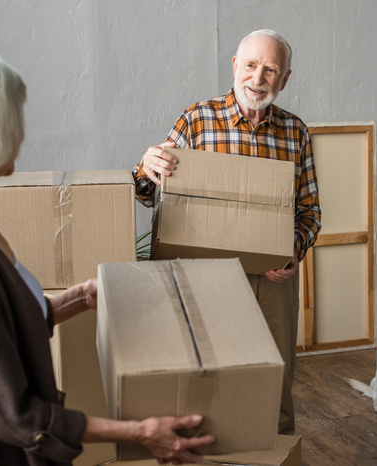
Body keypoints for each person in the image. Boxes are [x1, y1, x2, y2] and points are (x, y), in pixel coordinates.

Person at [0, 44, 214, 466]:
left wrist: (76, 298)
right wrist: (142, 432)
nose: (22, 134)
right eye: (15, 118)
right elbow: (15, 418)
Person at [132, 29, 321, 435]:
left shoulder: (296, 132)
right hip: (206, 274)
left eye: (270, 70)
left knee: (275, 376)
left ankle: (277, 455)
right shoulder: (197, 120)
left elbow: (310, 212)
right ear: (235, 67)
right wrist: (146, 168)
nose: (258, 78)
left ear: (284, 78)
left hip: (274, 277)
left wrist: (293, 250)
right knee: (206, 373)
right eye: (251, 65)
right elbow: (148, 194)